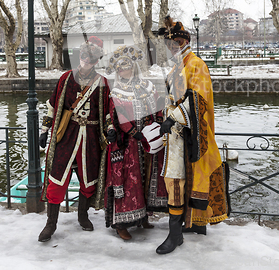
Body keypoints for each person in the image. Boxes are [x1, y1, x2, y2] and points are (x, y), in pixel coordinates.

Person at [155, 16, 230, 255]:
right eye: (169, 45)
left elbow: (198, 99)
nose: (170, 49)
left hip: (186, 134)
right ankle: (183, 226)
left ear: (181, 42)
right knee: (175, 181)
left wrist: (173, 117)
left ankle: (175, 235)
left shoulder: (196, 64)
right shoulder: (177, 66)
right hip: (175, 135)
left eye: (173, 44)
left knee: (176, 181)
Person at [37, 36, 110, 242]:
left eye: (92, 58)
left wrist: (110, 129)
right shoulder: (66, 78)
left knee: (89, 181)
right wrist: (44, 129)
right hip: (67, 137)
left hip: (91, 140)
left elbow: (107, 112)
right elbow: (53, 104)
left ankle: (83, 215)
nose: (87, 60)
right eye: (85, 55)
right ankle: (50, 224)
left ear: (97, 60)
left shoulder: (102, 82)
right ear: (81, 56)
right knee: (57, 179)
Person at [103, 45, 168, 240]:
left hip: (148, 140)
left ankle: (143, 217)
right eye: (120, 68)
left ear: (134, 67)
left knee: (146, 179)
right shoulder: (116, 91)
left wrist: (156, 124)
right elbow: (117, 116)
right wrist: (134, 132)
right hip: (127, 143)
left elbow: (157, 106)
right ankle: (121, 223)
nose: (124, 70)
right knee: (127, 182)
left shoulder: (148, 86)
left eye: (127, 66)